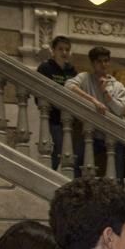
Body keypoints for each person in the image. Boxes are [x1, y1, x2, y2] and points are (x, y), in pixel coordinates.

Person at [65, 46, 125, 179]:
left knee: (119, 167)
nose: (103, 64)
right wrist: (93, 100)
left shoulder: (118, 86)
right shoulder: (85, 78)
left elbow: (120, 110)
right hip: (92, 134)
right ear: (93, 63)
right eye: (99, 61)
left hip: (114, 134)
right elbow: (69, 86)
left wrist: (106, 93)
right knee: (77, 160)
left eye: (106, 61)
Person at [35, 35, 76, 170]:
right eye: (61, 49)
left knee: (66, 150)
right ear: (53, 50)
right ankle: (49, 172)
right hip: (52, 117)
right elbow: (38, 92)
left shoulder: (72, 71)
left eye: (67, 50)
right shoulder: (45, 68)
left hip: (68, 117)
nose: (64, 53)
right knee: (57, 147)